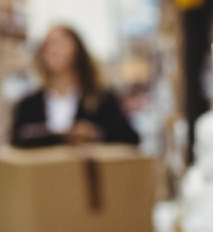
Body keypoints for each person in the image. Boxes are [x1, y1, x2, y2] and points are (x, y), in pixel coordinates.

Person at [10, 25, 140, 148]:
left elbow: (131, 139)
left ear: (77, 50)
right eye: (48, 44)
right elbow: (15, 142)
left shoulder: (102, 100)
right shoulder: (28, 105)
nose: (53, 49)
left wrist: (96, 134)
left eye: (60, 43)